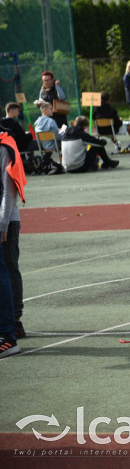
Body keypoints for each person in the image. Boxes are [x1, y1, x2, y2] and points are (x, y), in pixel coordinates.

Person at [0, 126, 26, 357]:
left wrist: (3, 225)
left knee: (7, 270)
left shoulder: (3, 147)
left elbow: (8, 191)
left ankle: (14, 322)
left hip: (6, 220)